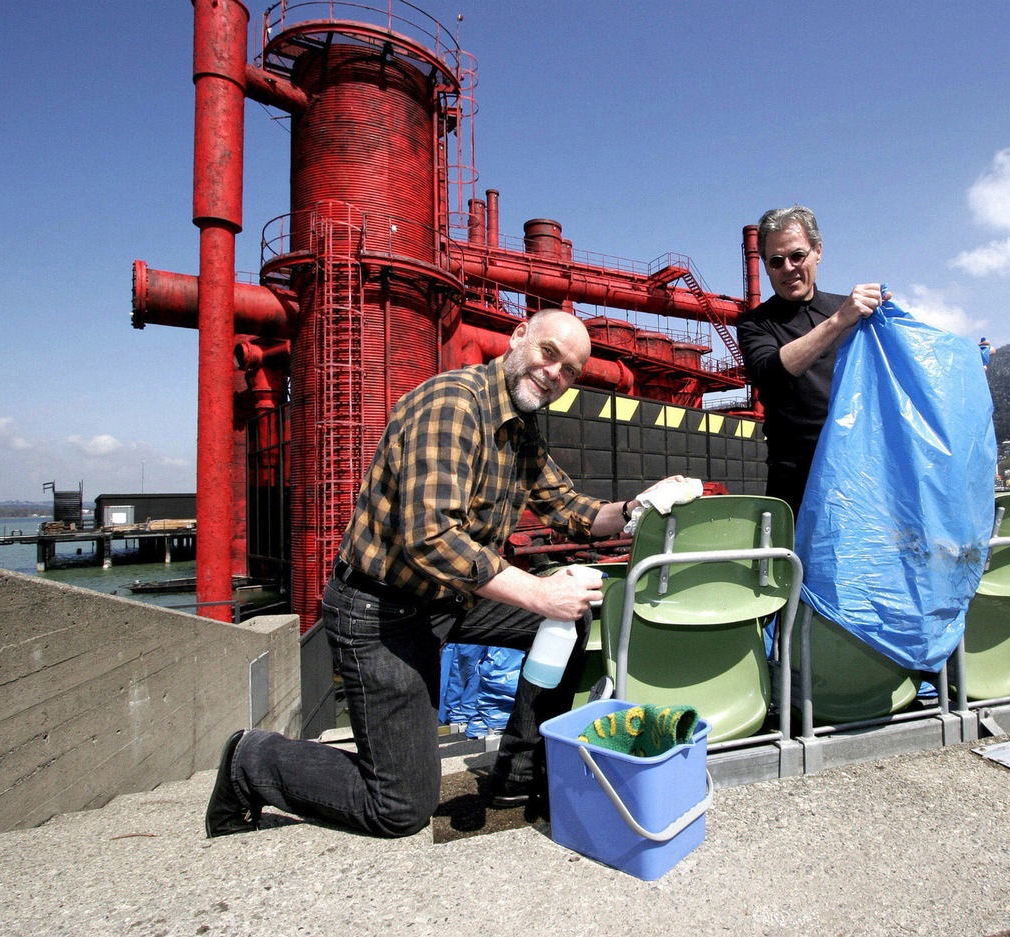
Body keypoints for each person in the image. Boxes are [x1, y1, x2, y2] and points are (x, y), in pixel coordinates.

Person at [206, 308, 675, 839]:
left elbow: (570, 507)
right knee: (401, 807)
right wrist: (541, 594)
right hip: (381, 611)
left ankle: (521, 771)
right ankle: (252, 760)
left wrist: (639, 507)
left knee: (574, 619)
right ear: (518, 336)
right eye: (550, 354)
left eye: (569, 371)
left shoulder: (521, 428)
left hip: (449, 600)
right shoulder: (454, 404)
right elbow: (430, 539)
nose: (555, 374)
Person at [737, 206, 889, 515]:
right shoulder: (755, 324)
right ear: (765, 267)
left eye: (797, 256)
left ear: (818, 251)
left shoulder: (853, 311)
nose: (788, 268)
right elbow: (770, 372)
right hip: (795, 481)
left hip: (861, 472)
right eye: (776, 261)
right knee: (796, 562)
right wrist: (838, 322)